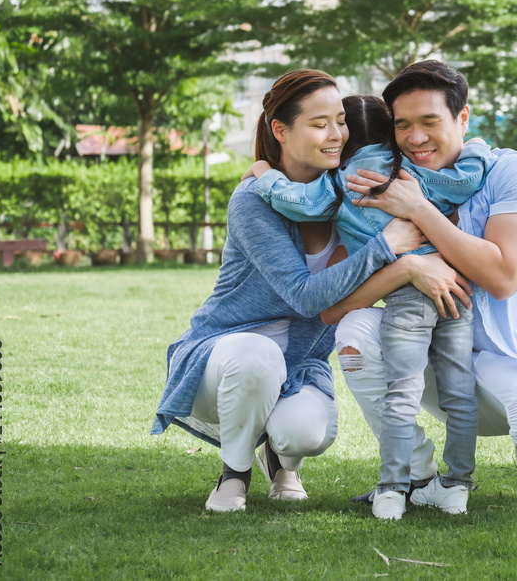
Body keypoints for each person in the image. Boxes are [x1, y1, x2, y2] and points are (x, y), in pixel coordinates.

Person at [150, 69, 467, 512]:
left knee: (308, 432)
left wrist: (410, 262)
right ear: (280, 130)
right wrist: (390, 250)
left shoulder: (350, 202)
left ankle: (281, 460)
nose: (337, 134)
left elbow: (342, 305)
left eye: (341, 121)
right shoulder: (254, 200)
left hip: (297, 365)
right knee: (255, 356)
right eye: (320, 124)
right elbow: (305, 297)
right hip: (221, 356)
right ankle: (234, 474)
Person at [324, 61, 517, 503]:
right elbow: (333, 307)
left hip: (516, 362)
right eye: (402, 125)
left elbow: (503, 277)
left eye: (430, 122)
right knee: (353, 334)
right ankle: (416, 476)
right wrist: (405, 268)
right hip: (433, 359)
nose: (416, 137)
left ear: (462, 118)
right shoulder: (380, 185)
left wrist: (419, 210)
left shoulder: (510, 170)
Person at [246, 95, 495, 519]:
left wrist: (263, 174)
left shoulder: (342, 181)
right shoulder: (413, 172)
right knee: (459, 393)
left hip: (408, 296)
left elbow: (298, 203)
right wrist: (478, 148)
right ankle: (455, 489)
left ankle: (393, 491)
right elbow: (465, 180)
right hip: (454, 289)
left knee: (401, 392)